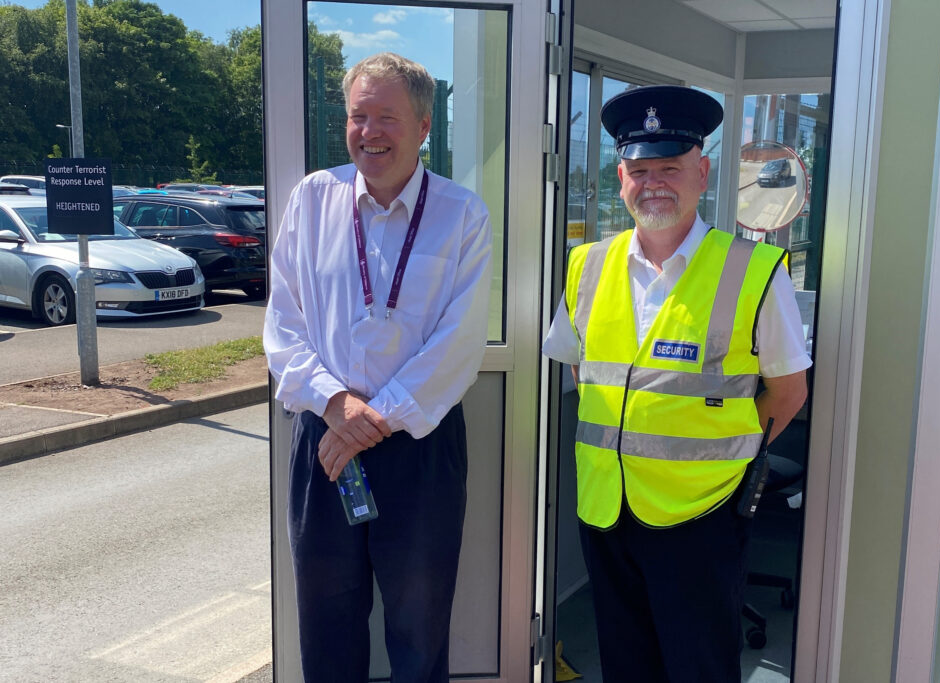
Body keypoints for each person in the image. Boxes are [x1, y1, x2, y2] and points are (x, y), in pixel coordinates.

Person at [543, 85, 811, 682]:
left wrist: (729, 456)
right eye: (640, 169)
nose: (654, 182)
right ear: (621, 178)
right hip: (606, 508)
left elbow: (789, 392)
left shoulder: (754, 269)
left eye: (671, 167)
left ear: (703, 172)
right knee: (626, 662)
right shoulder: (587, 265)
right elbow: (580, 368)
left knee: (698, 667)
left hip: (702, 514)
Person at [263, 52, 493, 683]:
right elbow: (283, 321)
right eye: (358, 116)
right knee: (327, 618)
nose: (370, 132)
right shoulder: (314, 199)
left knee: (419, 627)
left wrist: (375, 417)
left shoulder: (462, 213)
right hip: (326, 442)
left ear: (423, 126)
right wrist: (337, 407)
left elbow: (462, 340)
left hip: (419, 444)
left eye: (386, 116)